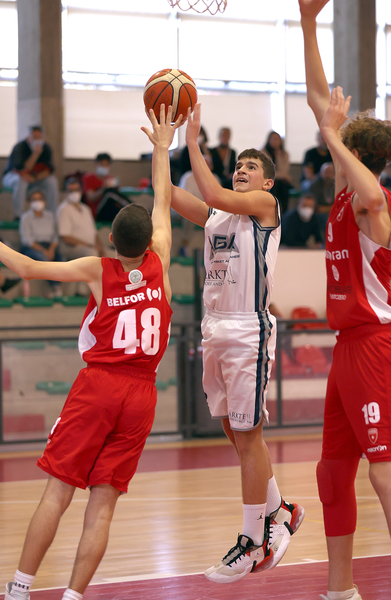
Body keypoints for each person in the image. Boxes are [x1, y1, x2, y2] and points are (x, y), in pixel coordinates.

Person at [3, 104, 181, 600]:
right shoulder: (162, 262)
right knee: (102, 506)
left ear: (110, 239)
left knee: (58, 491)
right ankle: (74, 595)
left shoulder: (98, 270)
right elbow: (163, 198)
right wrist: (162, 148)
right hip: (141, 396)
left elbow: (27, 269)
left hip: (100, 386)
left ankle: (20, 589)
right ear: (150, 241)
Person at [171, 103, 305, 584]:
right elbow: (166, 193)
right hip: (215, 329)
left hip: (248, 330)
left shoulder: (266, 208)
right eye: (239, 166)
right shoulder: (215, 217)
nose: (241, 170)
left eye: (250, 167)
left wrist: (192, 141)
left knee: (249, 437)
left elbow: (210, 190)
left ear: (267, 182)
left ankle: (253, 541)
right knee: (234, 431)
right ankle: (282, 510)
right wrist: (162, 146)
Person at [299, 1, 391, 599]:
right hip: (347, 348)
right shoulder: (345, 190)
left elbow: (374, 197)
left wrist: (334, 137)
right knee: (333, 471)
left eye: (339, 149)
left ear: (357, 157)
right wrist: (309, 23)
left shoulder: (374, 204)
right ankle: (341, 590)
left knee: (386, 474)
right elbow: (320, 101)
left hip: (376, 344)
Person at [2, 125, 59, 220]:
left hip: (33, 179)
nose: (37, 140)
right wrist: (35, 154)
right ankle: (18, 215)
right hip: (13, 177)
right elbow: (21, 170)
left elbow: (48, 170)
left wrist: (35, 178)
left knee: (52, 181)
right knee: (21, 181)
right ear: (28, 137)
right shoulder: (20, 147)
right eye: (34, 137)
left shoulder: (46, 148)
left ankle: (52, 214)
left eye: (39, 138)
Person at [19, 190, 64, 298]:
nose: (37, 202)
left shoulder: (51, 216)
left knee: (61, 259)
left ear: (45, 201)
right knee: (43, 259)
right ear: (29, 202)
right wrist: (44, 251)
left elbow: (55, 236)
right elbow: (27, 240)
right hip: (32, 247)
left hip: (49, 246)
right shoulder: (25, 218)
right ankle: (55, 287)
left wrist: (51, 249)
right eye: (34, 199)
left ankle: (56, 288)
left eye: (40, 199)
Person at [81, 153, 130, 222]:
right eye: (102, 164)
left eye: (106, 165)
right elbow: (91, 198)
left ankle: (133, 210)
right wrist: (104, 188)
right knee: (109, 192)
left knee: (124, 213)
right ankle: (133, 208)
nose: (104, 167)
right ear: (96, 164)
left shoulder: (110, 179)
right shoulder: (88, 178)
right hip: (97, 212)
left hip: (110, 210)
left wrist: (116, 187)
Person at [262, 131, 294, 214]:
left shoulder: (284, 154)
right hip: (267, 181)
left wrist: (278, 157)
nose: (275, 142)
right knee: (273, 186)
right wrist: (281, 175)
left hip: (282, 182)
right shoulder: (263, 153)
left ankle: (284, 215)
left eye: (277, 139)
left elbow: (284, 171)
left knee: (283, 188)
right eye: (273, 139)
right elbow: (266, 172)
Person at [308, 162, 335, 235]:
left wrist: (328, 208)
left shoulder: (336, 185)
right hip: (318, 214)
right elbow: (316, 207)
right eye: (326, 172)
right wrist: (332, 208)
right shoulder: (314, 186)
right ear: (321, 173)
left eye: (330, 172)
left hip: (333, 213)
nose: (328, 175)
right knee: (326, 219)